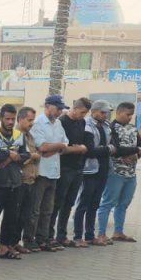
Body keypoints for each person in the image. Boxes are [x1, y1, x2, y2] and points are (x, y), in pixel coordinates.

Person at [0, 104, 29, 260]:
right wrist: (10, 154)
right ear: (1, 119)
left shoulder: (19, 135)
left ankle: (4, 247)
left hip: (15, 183)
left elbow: (25, 155)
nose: (10, 122)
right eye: (7, 119)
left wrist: (9, 157)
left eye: (12, 119)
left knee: (11, 217)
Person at [26, 95, 68, 252]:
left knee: (48, 210)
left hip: (54, 172)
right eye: (58, 108)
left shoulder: (58, 124)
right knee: (35, 210)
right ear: (48, 106)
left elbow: (66, 143)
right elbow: (42, 147)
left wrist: (55, 147)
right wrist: (58, 147)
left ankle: (43, 239)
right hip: (41, 172)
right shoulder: (38, 123)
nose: (59, 112)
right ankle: (29, 239)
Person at [72, 100, 116, 247]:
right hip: (90, 170)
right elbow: (90, 150)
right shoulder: (87, 125)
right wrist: (108, 149)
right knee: (83, 204)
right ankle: (78, 236)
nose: (105, 115)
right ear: (94, 111)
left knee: (94, 204)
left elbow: (114, 145)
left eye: (106, 113)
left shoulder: (107, 126)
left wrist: (107, 148)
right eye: (102, 112)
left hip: (103, 169)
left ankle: (90, 236)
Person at [96, 102, 141, 243]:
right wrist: (133, 151)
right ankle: (101, 234)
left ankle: (118, 232)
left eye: (131, 115)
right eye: (128, 114)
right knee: (107, 203)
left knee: (123, 204)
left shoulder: (133, 128)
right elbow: (117, 149)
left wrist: (137, 154)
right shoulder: (110, 128)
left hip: (131, 173)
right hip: (115, 172)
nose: (129, 117)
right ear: (119, 112)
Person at [53, 97, 91, 248]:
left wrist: (79, 147)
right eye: (81, 112)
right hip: (64, 167)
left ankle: (61, 235)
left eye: (85, 113)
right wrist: (78, 148)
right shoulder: (62, 122)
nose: (83, 116)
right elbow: (62, 147)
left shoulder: (81, 122)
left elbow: (84, 144)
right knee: (57, 202)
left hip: (78, 167)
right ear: (74, 108)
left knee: (69, 203)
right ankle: (50, 235)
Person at [13, 106, 42, 252]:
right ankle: (11, 243)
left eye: (33, 120)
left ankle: (17, 242)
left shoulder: (29, 136)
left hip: (31, 179)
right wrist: (32, 156)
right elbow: (16, 158)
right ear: (20, 119)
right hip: (19, 180)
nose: (32, 123)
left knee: (26, 214)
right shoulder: (15, 135)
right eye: (29, 120)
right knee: (15, 215)